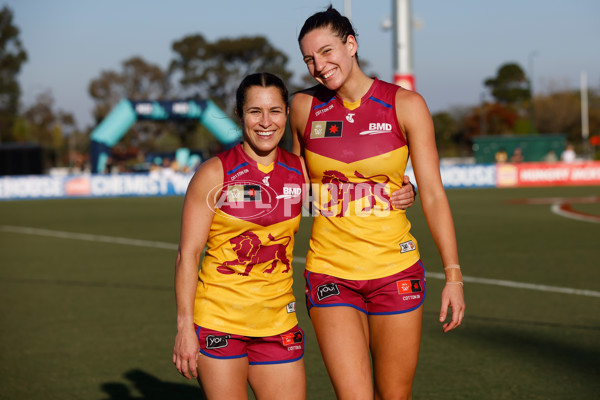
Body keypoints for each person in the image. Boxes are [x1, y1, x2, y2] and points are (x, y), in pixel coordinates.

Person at [289, 6, 465, 399]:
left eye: (327, 51)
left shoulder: (406, 105)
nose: (319, 65)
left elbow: (434, 195)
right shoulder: (302, 107)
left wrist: (453, 276)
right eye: (309, 59)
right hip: (330, 272)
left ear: (351, 45)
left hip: (395, 269)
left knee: (394, 395)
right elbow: (298, 194)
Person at [172, 72, 309, 400]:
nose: (266, 122)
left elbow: (355, 199)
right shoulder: (213, 173)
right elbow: (188, 254)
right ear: (239, 114)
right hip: (220, 322)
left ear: (287, 114)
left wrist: (407, 189)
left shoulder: (302, 172)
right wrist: (184, 327)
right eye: (254, 111)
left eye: (275, 111)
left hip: (278, 324)